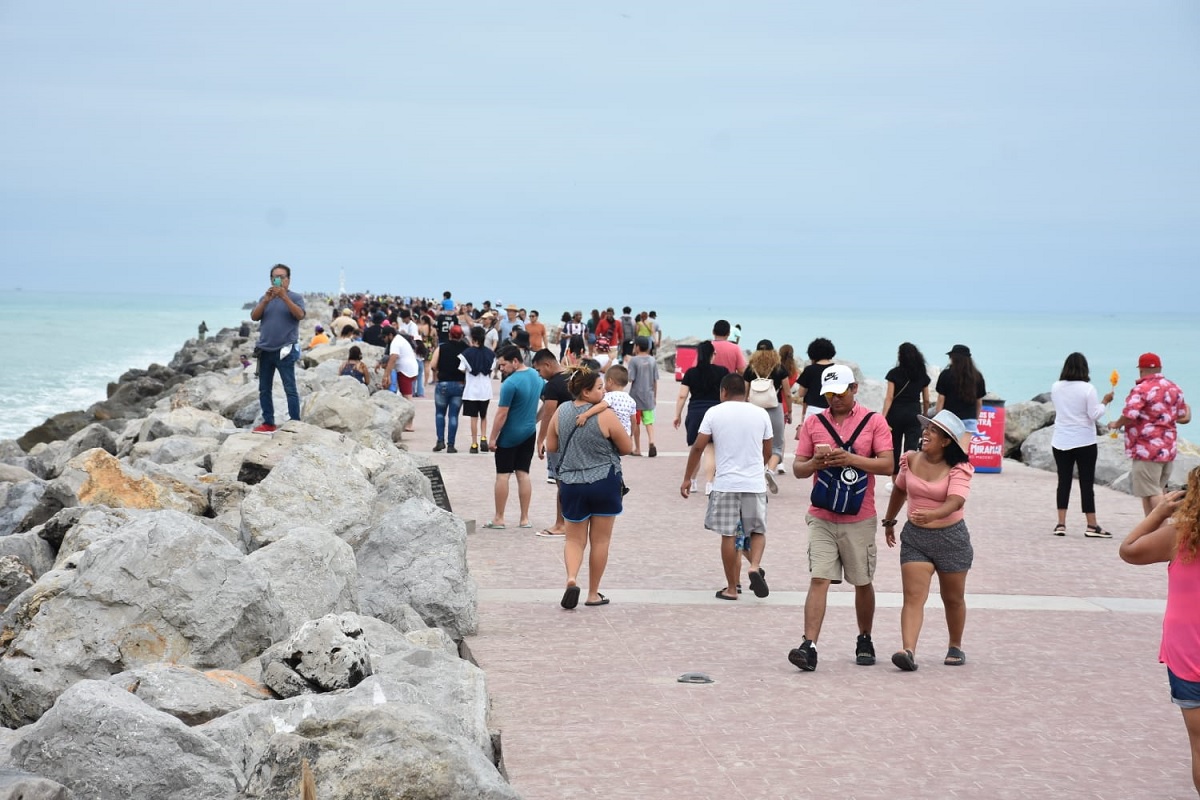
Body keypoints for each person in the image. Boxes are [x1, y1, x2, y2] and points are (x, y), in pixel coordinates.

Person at [788, 364, 894, 671]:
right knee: (819, 578)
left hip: (860, 516)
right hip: (821, 515)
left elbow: (888, 465)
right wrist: (816, 463)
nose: (834, 399)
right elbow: (798, 469)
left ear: (854, 389)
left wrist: (850, 459)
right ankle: (809, 646)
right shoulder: (814, 422)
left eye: (840, 393)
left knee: (862, 581)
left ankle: (865, 637)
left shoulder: (874, 421)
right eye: (829, 394)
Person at [1119, 469, 1200, 796]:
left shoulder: (1178, 536)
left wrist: (1158, 513)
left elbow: (1129, 549)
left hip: (1188, 654)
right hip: (1187, 652)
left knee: (1199, 746)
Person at [880, 410, 976, 671]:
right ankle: (908, 650)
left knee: (952, 598)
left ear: (946, 441)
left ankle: (955, 645)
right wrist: (889, 521)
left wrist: (933, 514)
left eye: (933, 431)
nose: (925, 433)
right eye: (926, 428)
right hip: (916, 538)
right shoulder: (910, 459)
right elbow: (900, 489)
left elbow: (956, 501)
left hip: (951, 539)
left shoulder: (959, 468)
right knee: (913, 597)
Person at [680, 374, 774, 601]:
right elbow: (768, 450)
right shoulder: (761, 413)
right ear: (745, 392)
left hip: (726, 484)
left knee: (728, 534)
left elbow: (698, 447)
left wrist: (687, 478)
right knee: (757, 530)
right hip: (754, 484)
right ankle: (754, 566)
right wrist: (756, 468)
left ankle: (732, 588)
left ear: (723, 391)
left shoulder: (714, 413)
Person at [546, 367, 634, 608]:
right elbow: (627, 447)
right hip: (604, 481)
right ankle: (593, 593)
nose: (603, 391)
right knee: (601, 541)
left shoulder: (561, 411)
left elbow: (551, 446)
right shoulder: (606, 415)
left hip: (571, 484)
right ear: (586, 392)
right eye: (599, 387)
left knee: (574, 540)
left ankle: (571, 579)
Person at [1109, 353, 1191, 516]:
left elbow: (1130, 414)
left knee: (1152, 492)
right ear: (1160, 368)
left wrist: (1116, 424)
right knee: (1151, 491)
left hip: (1146, 450)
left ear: (1141, 370)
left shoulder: (1141, 389)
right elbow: (1183, 417)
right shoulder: (1174, 388)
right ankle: (1151, 527)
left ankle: (1166, 526)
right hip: (1168, 449)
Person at [1050, 352, 1116, 536]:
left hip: (1061, 440)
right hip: (1084, 440)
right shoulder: (1088, 389)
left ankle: (1061, 524)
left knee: (1063, 482)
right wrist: (1105, 402)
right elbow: (1094, 414)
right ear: (1085, 369)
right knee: (1086, 483)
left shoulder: (1056, 387)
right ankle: (1091, 525)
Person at [485, 345, 543, 530]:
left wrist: (492, 438)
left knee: (503, 475)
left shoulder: (510, 383)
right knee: (523, 474)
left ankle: (499, 518)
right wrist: (535, 419)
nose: (501, 369)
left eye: (503, 365)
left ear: (515, 361)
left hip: (509, 435)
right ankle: (524, 518)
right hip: (529, 433)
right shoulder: (537, 376)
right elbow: (549, 402)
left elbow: (502, 414)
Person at [250, 264, 306, 433]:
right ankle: (268, 422)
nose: (279, 280)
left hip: (285, 350)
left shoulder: (295, 297)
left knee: (290, 388)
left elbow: (300, 315)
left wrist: (284, 297)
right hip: (265, 350)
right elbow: (254, 316)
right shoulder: (265, 298)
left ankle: (295, 422)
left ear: (288, 279)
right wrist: (266, 300)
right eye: (275, 277)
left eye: (282, 277)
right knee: (264, 389)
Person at [674, 341, 729, 494]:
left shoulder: (691, 373)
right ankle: (710, 484)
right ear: (713, 354)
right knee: (711, 450)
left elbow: (682, 395)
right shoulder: (722, 371)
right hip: (716, 412)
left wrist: (677, 415)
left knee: (696, 448)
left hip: (695, 413)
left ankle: (692, 482)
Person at [534, 348, 573, 537]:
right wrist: (532, 421)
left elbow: (549, 413)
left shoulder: (553, 385)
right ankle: (574, 521)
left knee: (561, 482)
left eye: (539, 370)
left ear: (547, 364)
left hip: (561, 438)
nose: (540, 375)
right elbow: (546, 408)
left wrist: (541, 439)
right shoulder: (573, 376)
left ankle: (561, 524)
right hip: (578, 436)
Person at [881, 343, 932, 475]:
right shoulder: (921, 375)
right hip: (914, 414)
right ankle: (908, 479)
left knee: (894, 448)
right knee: (911, 449)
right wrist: (925, 415)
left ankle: (895, 482)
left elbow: (889, 397)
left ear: (900, 356)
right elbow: (926, 399)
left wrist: (883, 417)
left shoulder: (893, 373)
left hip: (895, 414)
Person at [744, 339, 789, 485]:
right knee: (777, 445)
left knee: (754, 442)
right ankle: (770, 470)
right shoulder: (779, 368)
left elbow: (745, 391)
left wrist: (744, 407)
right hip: (774, 408)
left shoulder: (750, 369)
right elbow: (788, 393)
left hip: (754, 410)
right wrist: (789, 411)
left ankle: (755, 473)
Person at [429, 324, 469, 453]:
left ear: (449, 335)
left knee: (440, 414)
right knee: (453, 415)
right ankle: (451, 444)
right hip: (459, 384)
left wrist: (440, 370)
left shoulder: (442, 347)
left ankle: (440, 441)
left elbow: (433, 365)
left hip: (443, 384)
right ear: (461, 336)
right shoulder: (466, 349)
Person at [461, 325, 496, 454]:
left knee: (473, 417)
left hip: (471, 390)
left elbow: (461, 368)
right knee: (484, 416)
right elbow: (491, 368)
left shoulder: (466, 354)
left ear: (472, 338)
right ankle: (484, 438)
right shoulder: (491, 354)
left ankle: (474, 444)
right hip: (485, 390)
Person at [935, 344, 986, 424]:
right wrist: (975, 419)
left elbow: (941, 400)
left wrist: (938, 420)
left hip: (950, 420)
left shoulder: (945, 375)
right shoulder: (977, 376)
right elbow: (979, 402)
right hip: (970, 419)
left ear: (954, 358)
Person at [627, 337, 659, 457]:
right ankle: (652, 441)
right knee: (649, 422)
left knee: (636, 423)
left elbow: (630, 378)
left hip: (635, 397)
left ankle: (638, 449)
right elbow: (655, 380)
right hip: (649, 396)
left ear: (637, 347)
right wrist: (654, 396)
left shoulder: (634, 361)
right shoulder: (652, 360)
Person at [794, 338, 836, 422]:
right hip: (833, 410)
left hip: (813, 410)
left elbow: (801, 393)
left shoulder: (809, 370)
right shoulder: (836, 369)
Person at [378, 327, 419, 399]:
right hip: (410, 369)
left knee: (406, 397)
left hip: (405, 371)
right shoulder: (399, 339)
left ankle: (410, 406)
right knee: (405, 394)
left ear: (390, 335)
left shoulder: (395, 342)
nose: (383, 339)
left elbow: (393, 359)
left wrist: (386, 375)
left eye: (384, 337)